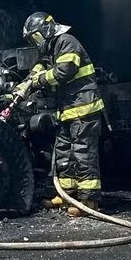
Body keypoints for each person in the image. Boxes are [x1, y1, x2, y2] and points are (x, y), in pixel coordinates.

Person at [10, 12, 104, 216]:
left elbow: (64, 71)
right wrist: (23, 87)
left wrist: (38, 81)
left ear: (47, 30)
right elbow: (38, 70)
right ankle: (65, 195)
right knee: (64, 153)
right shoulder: (50, 49)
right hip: (68, 110)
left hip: (83, 108)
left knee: (83, 154)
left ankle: (89, 202)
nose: (36, 42)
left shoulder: (66, 41)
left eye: (36, 37)